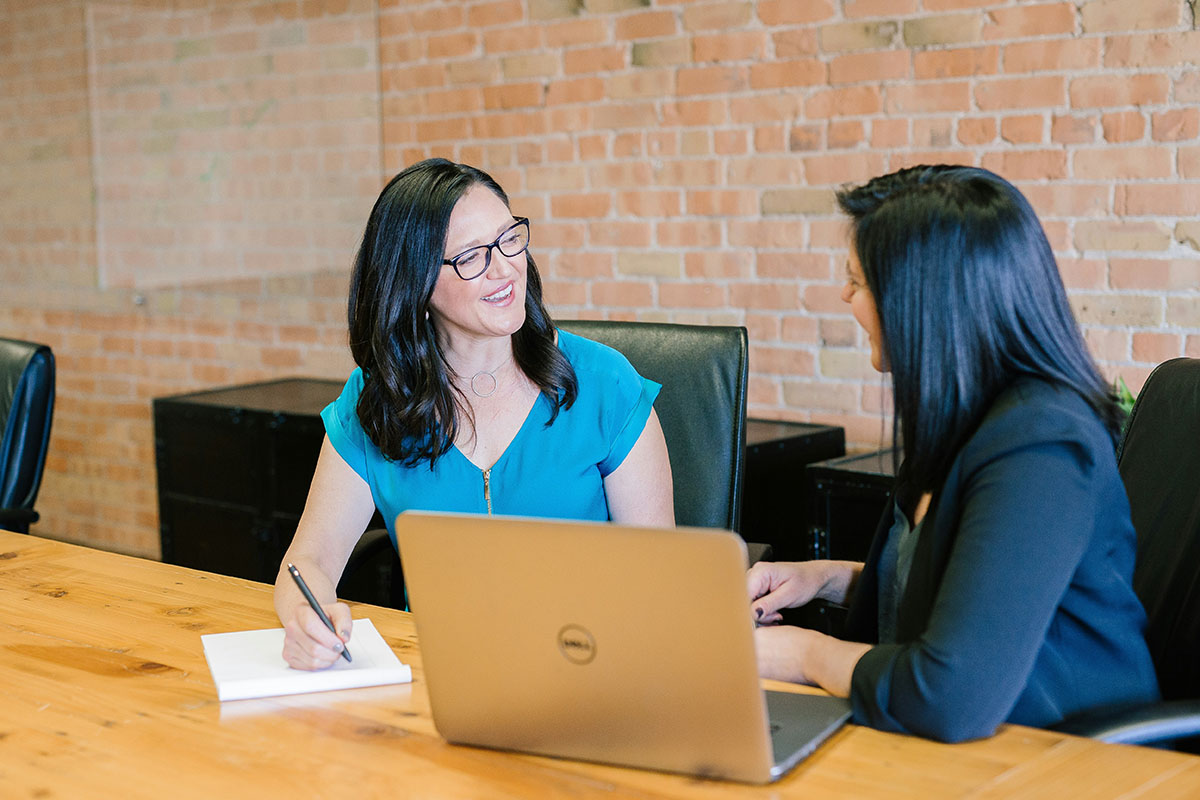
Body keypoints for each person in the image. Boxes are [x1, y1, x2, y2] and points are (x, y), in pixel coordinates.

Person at [748, 165, 1159, 742]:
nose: (845, 296)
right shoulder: (962, 419)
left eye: (857, 281)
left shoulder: (1041, 447)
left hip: (1067, 753)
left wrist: (802, 654)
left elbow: (947, 695)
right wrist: (824, 578)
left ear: (922, 302)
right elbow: (960, 588)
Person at [275, 158, 674, 670]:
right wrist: (305, 620)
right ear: (415, 282)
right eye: (471, 257)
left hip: (587, 665)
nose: (505, 268)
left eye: (509, 239)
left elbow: (659, 576)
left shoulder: (605, 384)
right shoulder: (377, 401)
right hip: (438, 671)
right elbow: (309, 559)